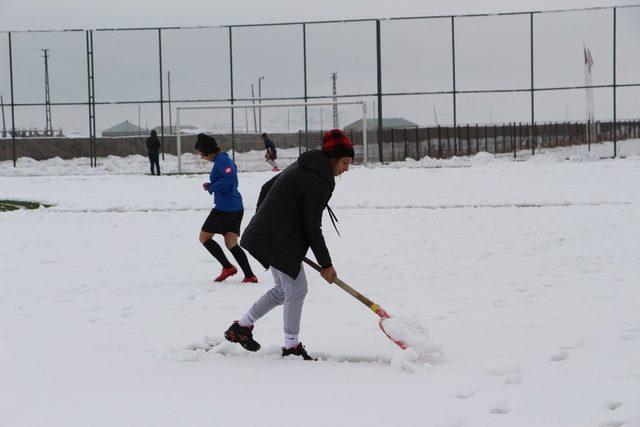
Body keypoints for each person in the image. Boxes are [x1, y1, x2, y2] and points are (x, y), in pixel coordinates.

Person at [224, 128, 354, 360]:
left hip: (270, 235)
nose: (347, 168)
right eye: (345, 162)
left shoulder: (305, 165)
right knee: (297, 289)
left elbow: (266, 188)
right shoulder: (318, 179)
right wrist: (326, 264)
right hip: (276, 239)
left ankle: (241, 328)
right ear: (333, 159)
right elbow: (312, 227)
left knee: (284, 291)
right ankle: (291, 347)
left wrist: (265, 221)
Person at [195, 133, 258, 284]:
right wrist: (211, 186)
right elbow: (228, 178)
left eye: (201, 154)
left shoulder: (221, 160)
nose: (201, 157)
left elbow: (230, 177)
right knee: (231, 242)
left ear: (207, 150)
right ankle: (249, 276)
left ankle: (228, 267)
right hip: (235, 207)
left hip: (225, 208)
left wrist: (213, 187)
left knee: (204, 237)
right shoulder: (224, 158)